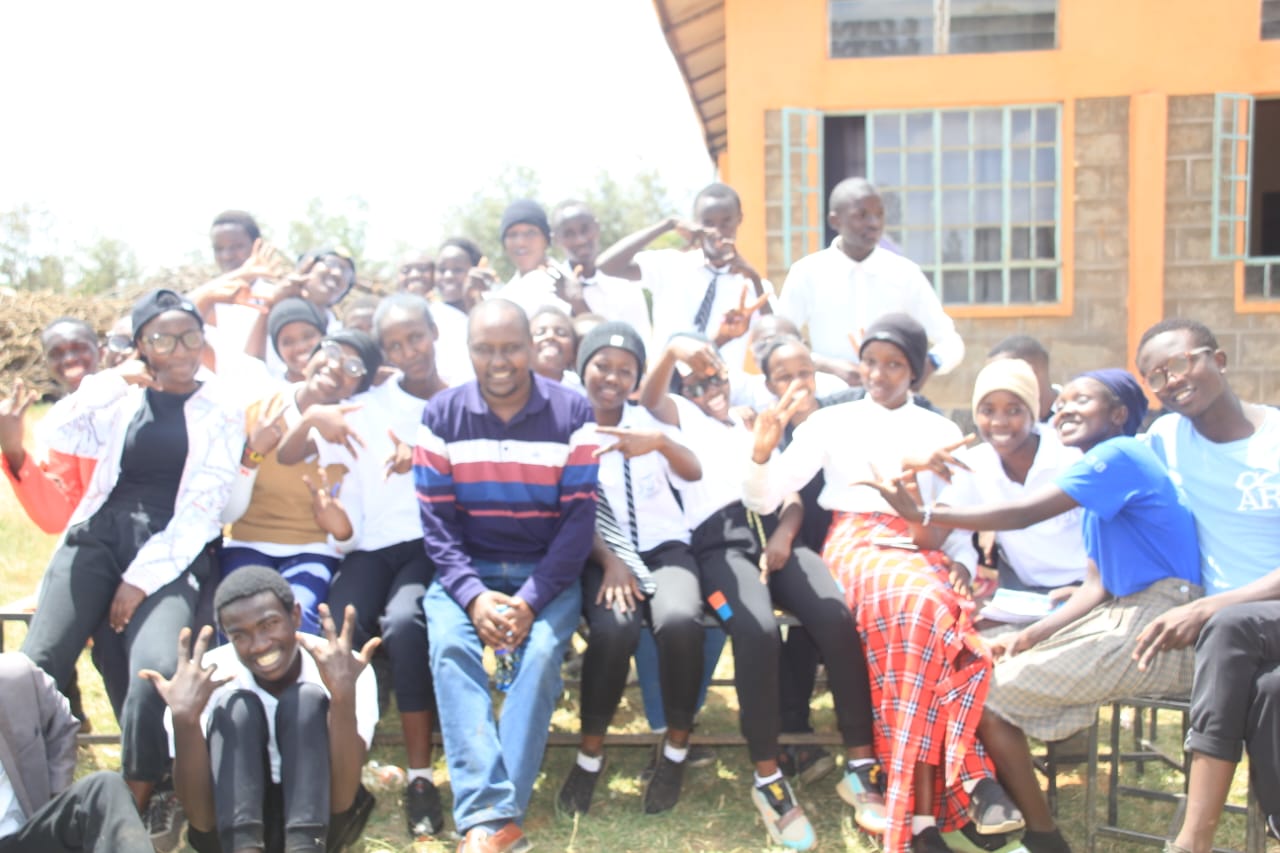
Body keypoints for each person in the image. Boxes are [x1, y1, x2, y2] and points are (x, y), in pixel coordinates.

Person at [865, 367, 1203, 853]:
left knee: (987, 695)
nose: (1064, 409)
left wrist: (924, 515)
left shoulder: (1119, 455)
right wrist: (1030, 637)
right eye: (1062, 401)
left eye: (1082, 401)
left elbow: (1022, 514)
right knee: (980, 669)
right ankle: (991, 808)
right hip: (1123, 613)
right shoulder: (1099, 481)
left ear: (1119, 414)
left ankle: (1043, 837)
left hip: (1165, 625)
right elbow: (1097, 585)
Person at [744, 313, 1017, 853]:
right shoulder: (831, 422)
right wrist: (760, 454)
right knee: (922, 609)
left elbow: (954, 516)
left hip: (923, 543)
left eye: (894, 365)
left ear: (915, 372)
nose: (879, 373)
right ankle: (966, 785)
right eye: (871, 362)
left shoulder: (939, 429)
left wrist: (961, 559)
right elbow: (763, 499)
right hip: (859, 543)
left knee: (945, 621)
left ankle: (924, 816)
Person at [642, 332, 885, 850]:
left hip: (777, 534)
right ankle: (768, 779)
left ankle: (862, 765)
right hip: (719, 547)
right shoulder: (679, 417)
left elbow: (790, 497)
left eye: (718, 376)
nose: (711, 387)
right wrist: (671, 352)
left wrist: (783, 534)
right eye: (698, 380)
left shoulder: (753, 420)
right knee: (755, 631)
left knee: (836, 617)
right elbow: (650, 398)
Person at [19, 289, 244, 820]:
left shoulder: (223, 407)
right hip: (97, 536)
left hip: (172, 545)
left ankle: (140, 802)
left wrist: (140, 579)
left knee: (155, 672)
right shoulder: (122, 394)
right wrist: (108, 382)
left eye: (191, 335)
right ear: (142, 343)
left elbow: (203, 512)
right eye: (164, 338)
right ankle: (23, 794)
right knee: (35, 667)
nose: (182, 348)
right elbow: (58, 433)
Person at [414, 299, 598, 852]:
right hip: (466, 571)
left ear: (532, 348)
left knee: (541, 656)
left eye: (511, 348)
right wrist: (472, 599)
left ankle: (490, 820)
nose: (499, 361)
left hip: (546, 572)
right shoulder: (441, 414)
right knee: (449, 646)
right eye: (484, 349)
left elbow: (578, 522)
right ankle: (495, 819)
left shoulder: (573, 413)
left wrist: (532, 598)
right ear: (467, 351)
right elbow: (436, 526)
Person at [1121, 319, 1280, 853]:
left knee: (1230, 625)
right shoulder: (1166, 438)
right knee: (1268, 693)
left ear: (1220, 359)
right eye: (1155, 377)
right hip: (1236, 642)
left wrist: (1212, 606)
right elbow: (1103, 477)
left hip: (1245, 619)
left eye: (1181, 363)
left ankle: (1192, 841)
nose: (1170, 381)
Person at [555, 322, 707, 816]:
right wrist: (610, 560)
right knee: (615, 630)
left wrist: (659, 443)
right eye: (602, 366)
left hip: (664, 550)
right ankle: (590, 755)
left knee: (682, 621)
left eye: (626, 371)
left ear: (638, 377)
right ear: (583, 368)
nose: (613, 378)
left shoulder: (652, 418)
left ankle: (677, 749)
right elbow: (567, 506)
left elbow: (693, 470)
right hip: (600, 553)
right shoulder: (565, 425)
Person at [313, 294, 449, 839]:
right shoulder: (369, 405)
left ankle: (420, 776)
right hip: (372, 546)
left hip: (431, 543)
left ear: (435, 332)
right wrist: (332, 518)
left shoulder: (462, 400)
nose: (408, 350)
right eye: (394, 344)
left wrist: (426, 459)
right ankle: (333, 775)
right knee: (338, 624)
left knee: (405, 623)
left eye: (415, 336)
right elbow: (343, 492)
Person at [148, 566, 378, 853]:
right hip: (231, 823)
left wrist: (343, 696)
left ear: (294, 616)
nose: (259, 645)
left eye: (269, 624)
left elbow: (343, 799)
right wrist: (185, 721)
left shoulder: (345, 666)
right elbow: (201, 820)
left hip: (319, 821)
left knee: (305, 701)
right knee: (235, 707)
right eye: (240, 635)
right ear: (227, 636)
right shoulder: (203, 679)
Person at [219, 329, 382, 635]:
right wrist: (252, 455)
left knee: (299, 618)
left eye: (353, 368)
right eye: (332, 353)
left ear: (361, 385)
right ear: (312, 355)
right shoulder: (258, 409)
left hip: (313, 551)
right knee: (235, 617)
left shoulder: (357, 433)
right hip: (248, 542)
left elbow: (349, 538)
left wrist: (340, 527)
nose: (335, 367)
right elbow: (226, 514)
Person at [776, 177, 964, 389]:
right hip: (828, 404)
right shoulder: (807, 273)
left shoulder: (904, 274)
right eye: (861, 215)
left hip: (890, 406)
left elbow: (951, 342)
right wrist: (828, 366)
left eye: (879, 215)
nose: (874, 224)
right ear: (835, 221)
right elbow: (779, 342)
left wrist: (927, 365)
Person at [938, 359, 1086, 598]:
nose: (999, 422)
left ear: (1034, 413)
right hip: (1027, 594)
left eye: (1014, 410)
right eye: (987, 410)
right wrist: (963, 563)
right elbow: (953, 531)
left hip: (1088, 587)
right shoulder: (974, 465)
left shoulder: (1071, 455)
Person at [596, 182, 773, 374]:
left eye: (726, 222)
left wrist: (755, 279)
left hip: (721, 391)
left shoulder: (751, 284)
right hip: (664, 388)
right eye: (708, 223)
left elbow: (775, 338)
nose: (717, 231)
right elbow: (607, 265)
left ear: (739, 219)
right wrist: (667, 225)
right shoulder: (670, 265)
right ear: (694, 223)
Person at [0, 652, 152, 852]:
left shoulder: (13, 677)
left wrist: (56, 793)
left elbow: (61, 723)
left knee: (103, 788)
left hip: (25, 839)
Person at [550, 200, 653, 341]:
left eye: (585, 229)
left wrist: (579, 305)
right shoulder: (547, 289)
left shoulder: (625, 285)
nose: (580, 240)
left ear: (597, 228)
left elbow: (636, 348)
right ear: (556, 240)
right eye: (568, 234)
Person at [495, 200, 582, 317]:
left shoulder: (575, 281)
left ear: (546, 239)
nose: (521, 242)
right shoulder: (503, 298)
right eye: (512, 234)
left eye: (531, 233)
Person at [987, 335, 1059, 424]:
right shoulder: (994, 425)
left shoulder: (1076, 415)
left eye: (1001, 376)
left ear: (1032, 372)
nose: (993, 385)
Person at [266, 298, 329, 383]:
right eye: (288, 342)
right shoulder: (268, 389)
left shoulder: (346, 389)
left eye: (308, 336)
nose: (301, 347)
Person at [529, 307, 583, 392]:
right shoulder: (512, 386)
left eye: (561, 333)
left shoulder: (583, 391)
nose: (550, 336)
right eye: (540, 332)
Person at [210, 210, 260, 274]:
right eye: (218, 249)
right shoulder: (212, 284)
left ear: (258, 247)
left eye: (235, 246)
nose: (226, 256)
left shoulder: (275, 283)